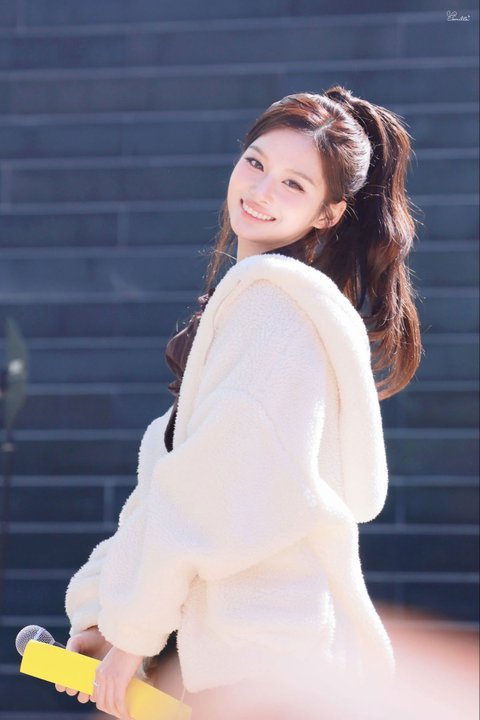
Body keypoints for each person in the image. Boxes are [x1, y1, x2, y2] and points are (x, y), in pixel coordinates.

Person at [55, 86, 422, 719]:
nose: (261, 190)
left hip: (258, 672)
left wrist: (130, 638)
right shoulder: (257, 303)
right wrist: (106, 619)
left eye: (293, 184)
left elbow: (208, 496)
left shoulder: (273, 311)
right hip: (246, 661)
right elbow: (170, 487)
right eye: (255, 162)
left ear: (328, 213)